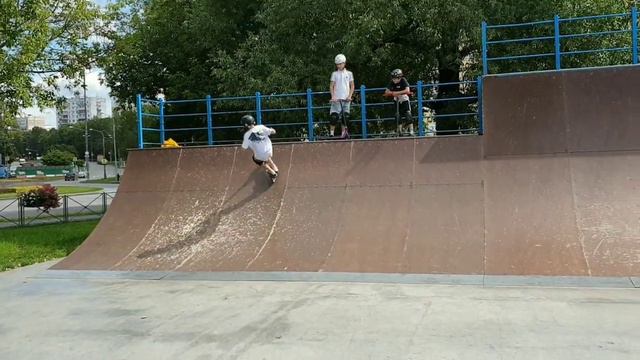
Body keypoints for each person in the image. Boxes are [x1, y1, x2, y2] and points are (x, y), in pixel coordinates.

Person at [240, 115, 279, 182]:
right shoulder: (260, 127)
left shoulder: (246, 135)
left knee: (255, 158)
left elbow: (244, 148)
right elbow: (273, 132)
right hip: (270, 152)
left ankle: (271, 171)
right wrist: (272, 130)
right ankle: (274, 167)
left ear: (246, 125)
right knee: (264, 151)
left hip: (260, 156)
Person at [329, 53, 355, 138]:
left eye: (340, 64)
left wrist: (350, 96)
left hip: (346, 99)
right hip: (336, 99)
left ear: (344, 63)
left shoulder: (349, 73)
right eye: (337, 64)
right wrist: (333, 96)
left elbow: (352, 86)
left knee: (345, 117)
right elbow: (331, 86)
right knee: (334, 117)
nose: (339, 66)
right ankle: (331, 133)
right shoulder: (334, 74)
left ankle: (343, 133)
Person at [384, 69, 414, 136]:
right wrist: (392, 93)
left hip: (404, 99)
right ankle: (399, 131)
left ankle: (411, 130)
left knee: (408, 114)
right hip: (396, 99)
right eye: (393, 78)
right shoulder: (392, 82)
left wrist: (396, 93)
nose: (394, 80)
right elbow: (386, 91)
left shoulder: (403, 80)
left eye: (395, 78)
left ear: (400, 77)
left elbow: (407, 90)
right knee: (397, 115)